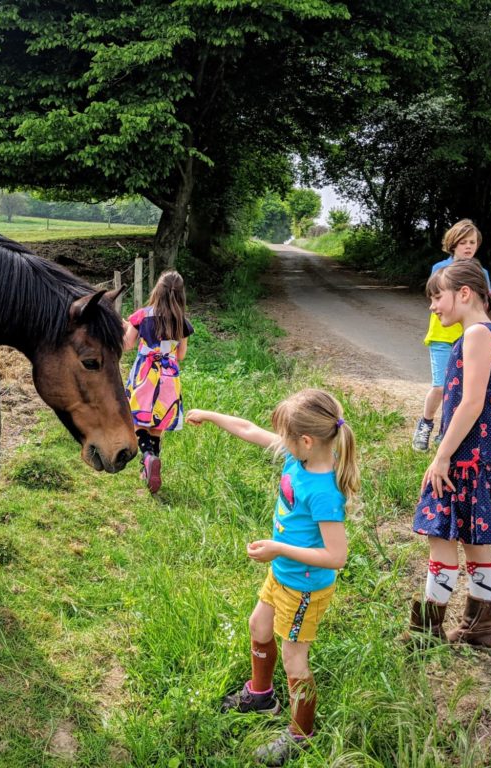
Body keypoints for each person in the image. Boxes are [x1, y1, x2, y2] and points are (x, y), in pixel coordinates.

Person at [186, 389, 360, 765]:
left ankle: (301, 734)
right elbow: (249, 430)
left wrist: (278, 548)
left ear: (307, 441)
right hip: (282, 573)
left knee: (294, 660)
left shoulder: (323, 491)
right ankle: (262, 696)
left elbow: (337, 557)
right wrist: (210, 414)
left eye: (285, 435)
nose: (280, 440)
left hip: (304, 587)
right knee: (258, 625)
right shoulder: (299, 457)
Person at [405, 259, 491, 648]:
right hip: (481, 454)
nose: (432, 307)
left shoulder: (477, 334)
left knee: (440, 535)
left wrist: (441, 456)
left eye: (436, 297)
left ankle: (425, 633)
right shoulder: (484, 332)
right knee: (476, 539)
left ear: (464, 293)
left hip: (469, 456)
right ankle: (479, 629)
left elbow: (471, 403)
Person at [412, 219, 491, 452]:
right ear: (453, 244)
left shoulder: (481, 273)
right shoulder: (440, 269)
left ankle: (447, 433)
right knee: (441, 387)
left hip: (470, 338)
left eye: (473, 242)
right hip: (442, 336)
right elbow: (437, 299)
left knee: (460, 390)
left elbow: (486, 304)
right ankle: (425, 424)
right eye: (463, 242)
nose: (468, 247)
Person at [123, 270, 193, 493]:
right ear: (181, 295)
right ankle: (150, 466)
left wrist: (126, 327)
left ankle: (147, 456)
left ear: (157, 291)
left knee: (138, 418)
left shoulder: (142, 316)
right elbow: (181, 355)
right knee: (158, 423)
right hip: (169, 377)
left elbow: (127, 345)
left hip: (145, 374)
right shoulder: (182, 322)